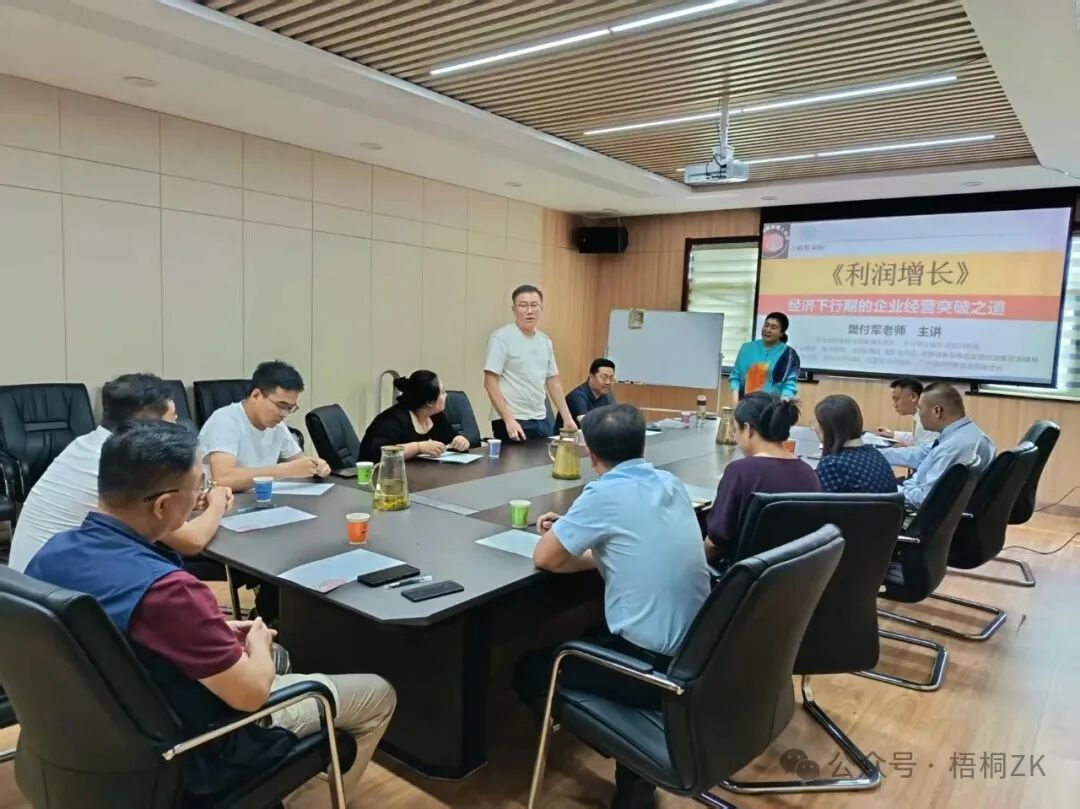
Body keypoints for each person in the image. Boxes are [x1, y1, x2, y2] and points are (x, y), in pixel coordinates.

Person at [25, 421, 396, 808]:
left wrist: (204, 629)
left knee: (282, 660)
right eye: (198, 488)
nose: (201, 497)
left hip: (90, 743)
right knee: (376, 694)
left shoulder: (52, 552)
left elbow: (112, 629)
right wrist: (257, 643)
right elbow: (251, 695)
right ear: (163, 505)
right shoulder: (169, 592)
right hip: (195, 751)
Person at [514, 404, 710, 809]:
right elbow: (629, 546)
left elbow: (545, 559)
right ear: (642, 446)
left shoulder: (602, 494)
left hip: (651, 667)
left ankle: (622, 743)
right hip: (699, 653)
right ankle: (635, 780)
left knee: (530, 672)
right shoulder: (670, 483)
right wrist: (582, 533)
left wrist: (574, 533)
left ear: (591, 455)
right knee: (590, 634)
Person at [8, 373, 232, 573]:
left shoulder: (87, 444)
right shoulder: (124, 464)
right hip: (58, 588)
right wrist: (218, 501)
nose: (178, 425)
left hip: (30, 585)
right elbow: (192, 541)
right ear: (148, 425)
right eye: (172, 418)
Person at [704, 392, 821, 562]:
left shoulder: (740, 472)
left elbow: (715, 543)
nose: (734, 437)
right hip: (795, 573)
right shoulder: (809, 473)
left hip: (746, 574)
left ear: (748, 429)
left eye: (735, 430)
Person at [199, 360, 330, 492]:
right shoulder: (225, 420)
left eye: (290, 408)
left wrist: (317, 466)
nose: (284, 414)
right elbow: (223, 479)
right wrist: (285, 470)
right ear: (256, 395)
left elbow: (300, 461)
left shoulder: (278, 426)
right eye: (281, 406)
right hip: (221, 501)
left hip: (257, 498)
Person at [878, 382, 996, 510]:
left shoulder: (952, 447)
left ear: (937, 411)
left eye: (920, 409)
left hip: (922, 509)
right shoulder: (967, 433)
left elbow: (923, 499)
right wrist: (875, 454)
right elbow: (921, 454)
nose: (919, 414)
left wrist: (902, 485)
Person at [484, 284, 575, 442]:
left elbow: (553, 382)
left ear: (541, 308)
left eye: (534, 305)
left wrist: (567, 417)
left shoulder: (545, 341)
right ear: (514, 310)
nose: (529, 311)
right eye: (523, 305)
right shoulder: (501, 338)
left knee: (544, 457)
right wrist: (509, 420)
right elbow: (490, 382)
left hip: (541, 418)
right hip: (513, 419)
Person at [358, 370, 470, 462]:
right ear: (429, 402)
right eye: (442, 392)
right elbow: (380, 453)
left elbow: (449, 438)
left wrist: (460, 441)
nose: (446, 396)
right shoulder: (392, 420)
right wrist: (418, 447)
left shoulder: (435, 416)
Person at [814, 394, 899, 494]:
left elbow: (818, 502)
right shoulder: (875, 454)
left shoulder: (831, 465)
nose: (814, 428)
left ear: (826, 428)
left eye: (816, 423)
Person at [728, 311, 800, 405]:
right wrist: (736, 404)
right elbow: (735, 377)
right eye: (766, 325)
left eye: (773, 327)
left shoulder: (789, 355)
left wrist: (781, 407)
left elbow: (789, 385)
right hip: (745, 405)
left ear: (781, 333)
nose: (768, 330)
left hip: (772, 406)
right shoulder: (747, 348)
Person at [876, 377, 939, 447]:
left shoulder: (927, 419)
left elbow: (926, 451)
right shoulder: (921, 415)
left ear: (913, 397)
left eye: (896, 399)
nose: (894, 405)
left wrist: (905, 448)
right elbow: (916, 438)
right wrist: (892, 434)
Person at [564, 358, 617, 426]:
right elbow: (587, 424)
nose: (608, 382)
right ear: (591, 377)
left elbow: (616, 418)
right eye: (604, 377)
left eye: (611, 378)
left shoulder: (606, 394)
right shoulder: (577, 396)